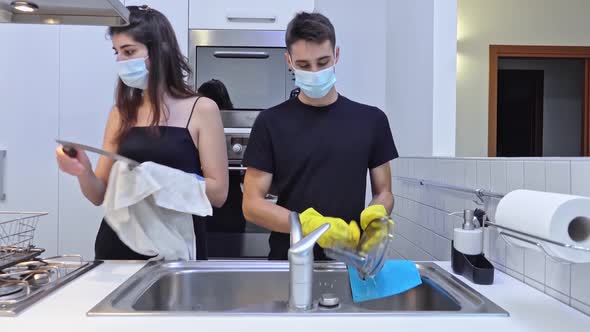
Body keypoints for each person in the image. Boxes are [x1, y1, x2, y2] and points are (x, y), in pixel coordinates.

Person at [55, 5, 228, 260]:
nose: (121, 62)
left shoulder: (202, 109)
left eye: (129, 51)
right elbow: (98, 194)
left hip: (175, 252)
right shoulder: (120, 113)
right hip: (117, 248)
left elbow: (218, 194)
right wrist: (83, 171)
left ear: (159, 52)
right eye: (117, 52)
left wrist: (156, 177)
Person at [242, 12, 398, 260]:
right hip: (289, 261)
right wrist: (308, 226)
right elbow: (251, 205)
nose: (314, 71)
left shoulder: (372, 121)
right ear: (289, 61)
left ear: (336, 55)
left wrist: (377, 216)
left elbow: (384, 192)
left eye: (323, 62)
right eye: (304, 65)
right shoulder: (270, 123)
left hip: (350, 260)